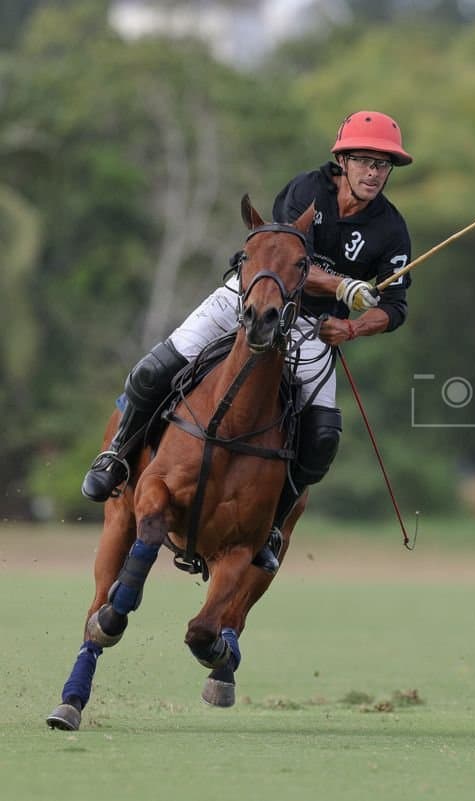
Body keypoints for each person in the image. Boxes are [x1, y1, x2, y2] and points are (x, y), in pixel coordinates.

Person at [80, 110, 417, 572]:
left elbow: (395, 308)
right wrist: (342, 287)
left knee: (322, 437)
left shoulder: (391, 228)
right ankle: (116, 457)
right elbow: (278, 256)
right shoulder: (307, 191)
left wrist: (354, 326)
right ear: (342, 160)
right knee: (154, 369)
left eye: (383, 165)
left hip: (310, 328)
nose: (374, 173)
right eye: (364, 160)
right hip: (249, 299)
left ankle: (272, 524)